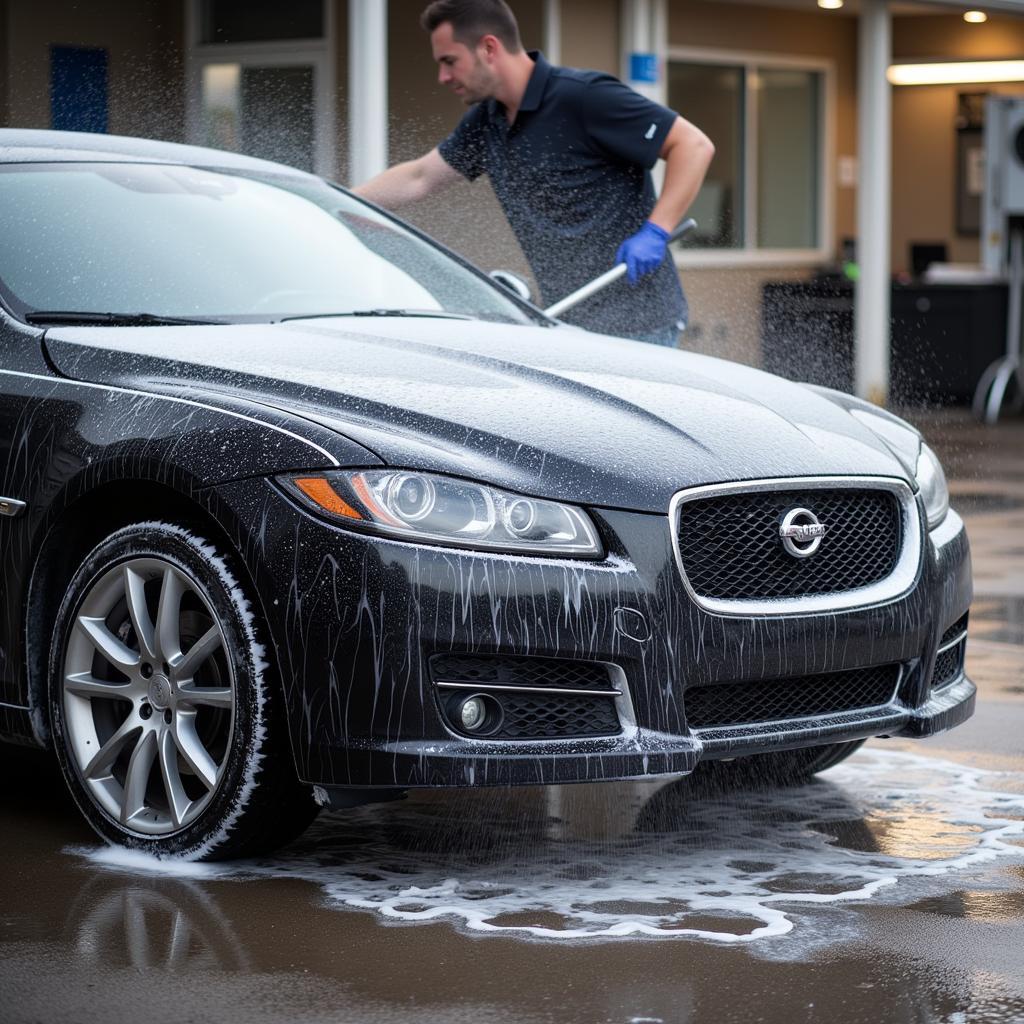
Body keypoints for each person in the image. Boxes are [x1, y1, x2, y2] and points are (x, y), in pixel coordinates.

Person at [353, 0, 714, 346]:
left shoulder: (583, 98)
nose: (443, 76)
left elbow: (693, 145)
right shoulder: (486, 121)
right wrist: (336, 204)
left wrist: (656, 230)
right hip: (569, 322)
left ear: (489, 47)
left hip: (641, 325)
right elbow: (420, 177)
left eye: (450, 61)